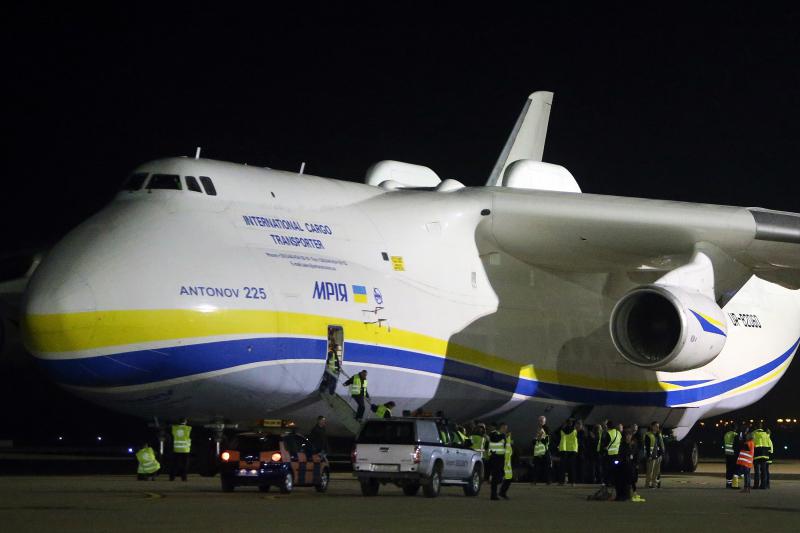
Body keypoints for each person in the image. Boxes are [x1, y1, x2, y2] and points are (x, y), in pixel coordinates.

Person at [485, 422, 508, 501]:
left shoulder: (503, 436)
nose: (505, 430)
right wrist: (503, 436)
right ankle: (493, 495)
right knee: (496, 477)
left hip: (501, 458)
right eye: (504, 428)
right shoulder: (494, 433)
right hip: (494, 458)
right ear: (501, 428)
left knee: (501, 476)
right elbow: (495, 439)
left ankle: (494, 491)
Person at [600, 420, 621, 487]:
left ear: (608, 426)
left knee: (608, 469)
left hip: (609, 454)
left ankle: (608, 482)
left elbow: (605, 444)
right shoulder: (618, 433)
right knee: (615, 469)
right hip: (617, 454)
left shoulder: (608, 433)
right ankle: (615, 482)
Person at [644, 422, 665, 489]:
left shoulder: (659, 435)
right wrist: (648, 455)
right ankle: (648, 484)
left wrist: (662, 453)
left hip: (659, 455)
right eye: (656, 426)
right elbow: (646, 447)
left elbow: (661, 444)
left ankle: (654, 484)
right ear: (652, 426)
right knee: (650, 471)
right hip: (651, 456)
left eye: (658, 426)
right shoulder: (648, 435)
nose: (657, 428)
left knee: (656, 471)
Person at [557, 419, 578, 486]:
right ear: (571, 424)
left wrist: (562, 426)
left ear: (566, 423)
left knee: (562, 467)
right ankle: (573, 482)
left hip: (564, 449)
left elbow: (557, 436)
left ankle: (561, 482)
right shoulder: (575, 431)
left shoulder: (562, 430)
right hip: (572, 450)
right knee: (572, 467)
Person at [752, 422, 770, 489]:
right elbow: (768, 442)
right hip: (765, 453)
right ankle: (763, 485)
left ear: (756, 427)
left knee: (757, 471)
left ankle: (756, 485)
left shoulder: (754, 433)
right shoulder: (766, 434)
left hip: (757, 453)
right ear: (762, 427)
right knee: (764, 470)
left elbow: (750, 441)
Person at [723, 422, 739, 488]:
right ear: (735, 428)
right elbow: (737, 445)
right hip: (733, 454)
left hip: (727, 454)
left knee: (728, 469)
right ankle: (733, 484)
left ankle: (728, 484)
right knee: (734, 469)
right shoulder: (735, 434)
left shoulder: (726, 434)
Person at [499, 429, 514, 499]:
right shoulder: (504, 440)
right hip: (505, 463)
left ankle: (502, 492)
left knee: (508, 479)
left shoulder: (508, 441)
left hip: (507, 463)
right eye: (509, 434)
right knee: (506, 479)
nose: (510, 435)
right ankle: (502, 493)